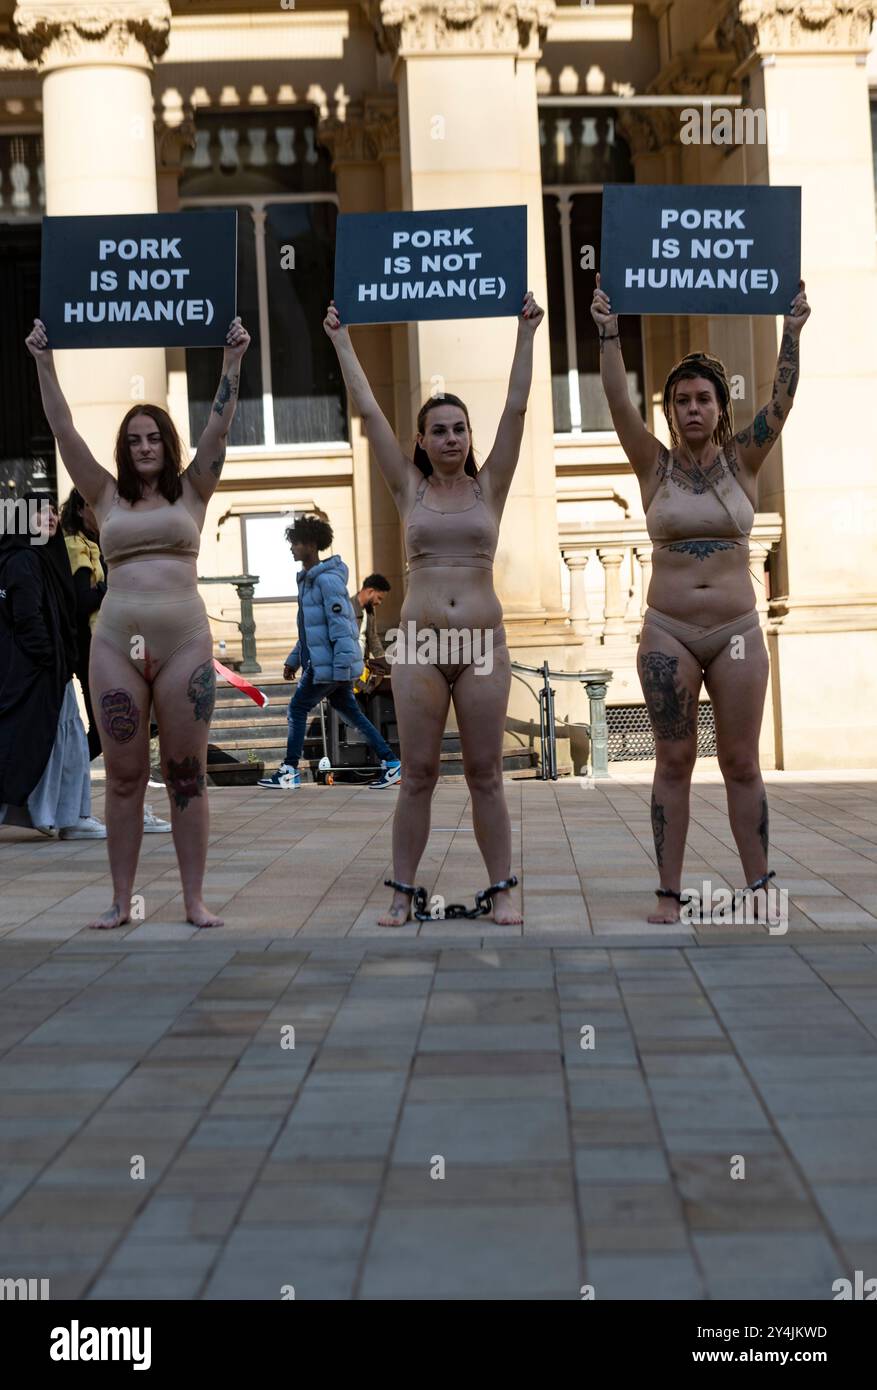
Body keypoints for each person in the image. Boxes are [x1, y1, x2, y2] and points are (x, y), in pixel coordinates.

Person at [590, 273, 811, 923]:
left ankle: (759, 884)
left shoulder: (744, 459)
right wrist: (607, 330)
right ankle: (667, 891)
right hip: (669, 631)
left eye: (703, 399)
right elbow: (615, 401)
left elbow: (782, 400)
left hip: (738, 629)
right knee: (675, 759)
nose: (691, 408)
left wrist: (791, 331)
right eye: (680, 400)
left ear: (720, 408)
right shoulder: (652, 465)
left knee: (741, 761)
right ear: (668, 411)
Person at [323, 290, 544, 927]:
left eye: (459, 429)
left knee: (484, 773)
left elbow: (519, 405)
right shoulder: (408, 486)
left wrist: (525, 332)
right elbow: (367, 412)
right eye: (438, 429)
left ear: (469, 437)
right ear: (421, 439)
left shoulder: (489, 485)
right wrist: (342, 341)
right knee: (417, 773)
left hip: (481, 646)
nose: (450, 437)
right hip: (419, 647)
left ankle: (502, 887)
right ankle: (401, 889)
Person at [25, 314, 251, 928]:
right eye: (134, 440)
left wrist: (231, 361)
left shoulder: (193, 491)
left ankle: (194, 901)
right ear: (124, 449)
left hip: (184, 644)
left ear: (167, 444)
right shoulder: (103, 495)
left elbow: (220, 425)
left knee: (186, 775)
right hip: (116, 646)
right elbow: (63, 428)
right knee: (123, 778)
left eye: (153, 438)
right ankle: (121, 903)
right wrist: (44, 360)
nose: (144, 447)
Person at [258, 516, 401, 790]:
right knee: (351, 712)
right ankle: (392, 763)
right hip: (325, 664)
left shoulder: (327, 582)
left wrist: (340, 668)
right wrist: (293, 661)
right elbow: (312, 631)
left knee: (297, 708)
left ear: (311, 545)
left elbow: (341, 628)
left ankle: (289, 770)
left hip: (330, 666)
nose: (291, 548)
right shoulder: (309, 581)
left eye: (295, 543)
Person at [60, 487, 171, 834]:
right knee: (115, 730)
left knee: (118, 729)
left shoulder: (104, 546)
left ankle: (70, 792)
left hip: (117, 646)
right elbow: (81, 602)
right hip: (95, 649)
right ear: (81, 511)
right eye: (95, 505)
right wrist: (116, 588)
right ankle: (68, 794)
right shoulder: (79, 548)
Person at [0, 494, 105, 839]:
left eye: (51, 514)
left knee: (58, 743)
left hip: (46, 671)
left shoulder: (41, 557)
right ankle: (71, 816)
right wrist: (49, 658)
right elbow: (27, 618)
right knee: (56, 742)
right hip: (39, 673)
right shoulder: (24, 561)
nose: (49, 520)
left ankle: (68, 814)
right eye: (38, 515)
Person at [350, 573, 391, 694]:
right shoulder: (347, 609)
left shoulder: (370, 610)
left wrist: (383, 661)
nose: (380, 603)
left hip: (363, 669)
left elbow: (373, 638)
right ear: (370, 591)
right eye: (379, 598)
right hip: (349, 672)